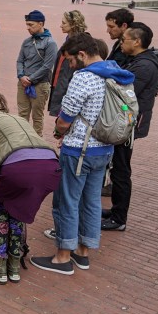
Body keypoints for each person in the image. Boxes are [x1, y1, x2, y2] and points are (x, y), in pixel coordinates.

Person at [30, 33, 133, 275]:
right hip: (105, 148)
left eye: (70, 60)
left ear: (83, 55)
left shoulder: (84, 77)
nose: (69, 65)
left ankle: (63, 256)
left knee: (68, 201)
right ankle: (83, 252)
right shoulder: (118, 74)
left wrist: (58, 130)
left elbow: (66, 119)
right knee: (92, 201)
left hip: (79, 149)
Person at [0, 92, 61, 284]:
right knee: (17, 212)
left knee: (2, 211)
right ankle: (13, 266)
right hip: (50, 165)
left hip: (19, 167)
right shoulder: (18, 118)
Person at [101, 22, 158, 232]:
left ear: (137, 41)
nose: (120, 43)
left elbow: (126, 94)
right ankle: (116, 210)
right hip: (127, 122)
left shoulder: (145, 66)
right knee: (118, 168)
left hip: (129, 125)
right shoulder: (138, 61)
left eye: (123, 39)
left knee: (121, 170)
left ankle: (119, 218)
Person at [15, 10, 58, 136]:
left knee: (37, 116)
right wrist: (21, 76)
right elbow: (20, 60)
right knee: (22, 114)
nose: (28, 28)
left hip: (39, 85)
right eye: (27, 24)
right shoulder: (27, 42)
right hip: (23, 83)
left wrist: (31, 79)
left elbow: (47, 66)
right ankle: (22, 140)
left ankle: (36, 142)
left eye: (31, 25)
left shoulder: (50, 43)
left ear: (41, 24)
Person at [48, 10, 88, 117]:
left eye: (64, 23)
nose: (61, 25)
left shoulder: (80, 43)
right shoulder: (69, 40)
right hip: (61, 85)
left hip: (69, 88)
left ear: (73, 24)